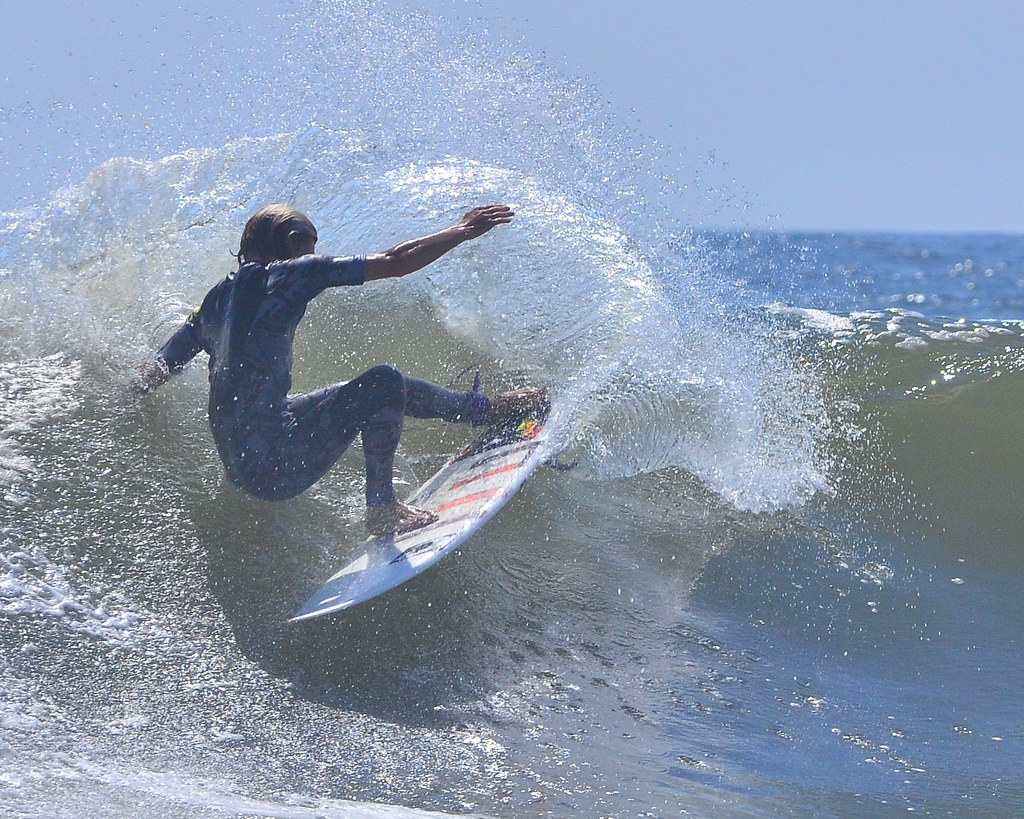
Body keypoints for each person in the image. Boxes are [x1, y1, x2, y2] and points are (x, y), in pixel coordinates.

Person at [135, 203, 547, 535]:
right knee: (383, 383)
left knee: (379, 387)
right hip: (275, 466)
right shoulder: (290, 274)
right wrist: (464, 229)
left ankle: (482, 409)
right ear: (292, 242)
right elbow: (394, 261)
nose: (315, 255)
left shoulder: (213, 304)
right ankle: (383, 510)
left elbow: (155, 371)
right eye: (309, 245)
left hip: (245, 465)